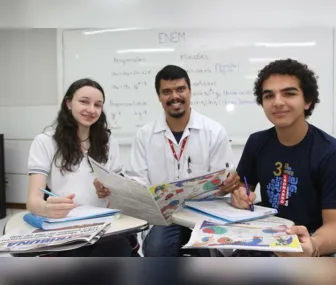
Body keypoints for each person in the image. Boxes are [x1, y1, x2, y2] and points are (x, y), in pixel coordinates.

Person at [94, 65, 241, 257]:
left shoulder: (214, 132)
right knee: (156, 249)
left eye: (180, 89)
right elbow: (138, 180)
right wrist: (117, 187)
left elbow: (221, 181)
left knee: (206, 254)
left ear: (189, 91)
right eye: (167, 92)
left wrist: (227, 184)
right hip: (165, 216)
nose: (174, 96)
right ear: (159, 96)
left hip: (204, 213)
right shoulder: (145, 134)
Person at [231, 59, 336, 257]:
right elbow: (244, 187)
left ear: (307, 101)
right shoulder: (256, 143)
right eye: (269, 95)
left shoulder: (335, 155)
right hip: (272, 233)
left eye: (289, 93)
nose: (277, 102)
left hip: (319, 239)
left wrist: (311, 246)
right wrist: (240, 195)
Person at [26, 78, 135, 257]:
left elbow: (118, 197)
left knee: (118, 250)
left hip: (103, 225)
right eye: (84, 102)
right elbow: (32, 201)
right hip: (65, 226)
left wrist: (111, 191)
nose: (91, 110)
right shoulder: (45, 142)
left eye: (98, 105)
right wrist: (47, 209)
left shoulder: (108, 143)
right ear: (69, 103)